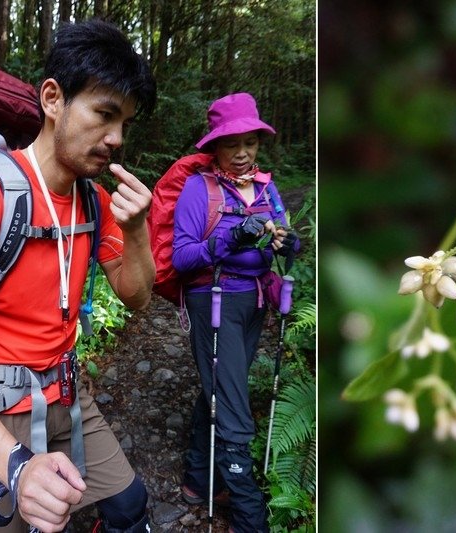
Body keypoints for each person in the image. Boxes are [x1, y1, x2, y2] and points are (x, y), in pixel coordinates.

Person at [0, 20, 157, 533]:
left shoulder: (97, 201)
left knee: (128, 504)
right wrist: (18, 465)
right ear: (53, 98)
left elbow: (136, 298)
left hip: (67, 398)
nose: (115, 138)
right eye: (104, 114)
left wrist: (136, 231)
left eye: (125, 123)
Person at [171, 92, 299, 533]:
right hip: (214, 302)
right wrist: (231, 239)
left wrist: (289, 245)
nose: (243, 153)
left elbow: (284, 235)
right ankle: (249, 515)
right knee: (230, 399)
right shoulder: (199, 189)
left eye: (251, 142)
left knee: (222, 387)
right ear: (215, 148)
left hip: (254, 302)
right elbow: (182, 258)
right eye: (233, 144)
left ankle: (196, 479)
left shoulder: (266, 187)